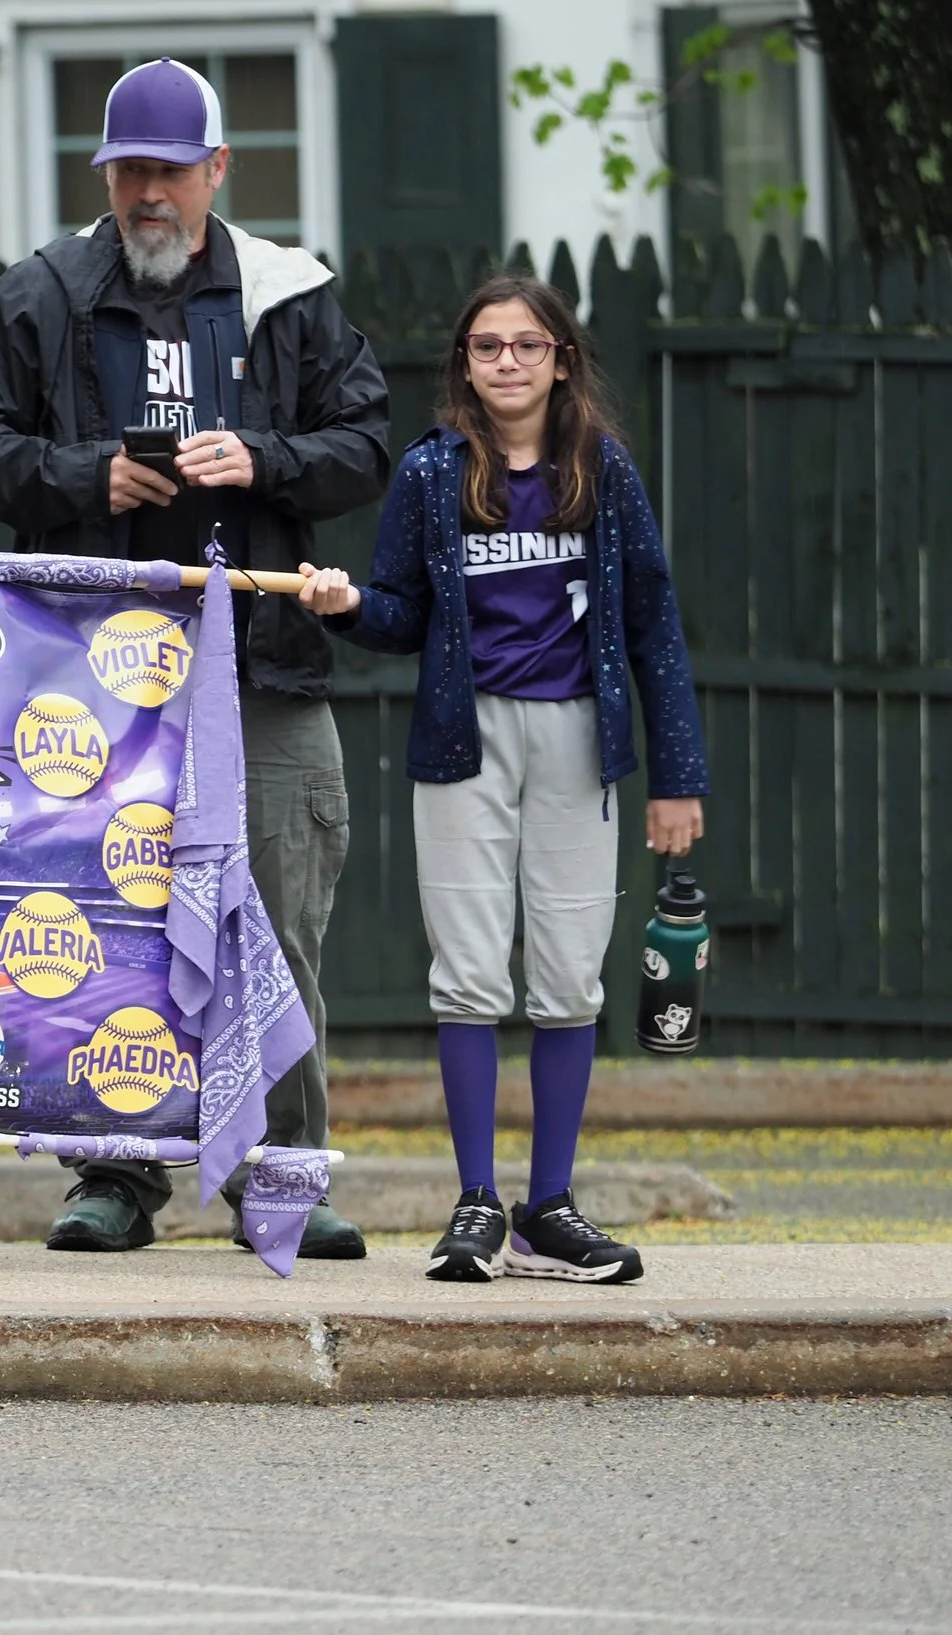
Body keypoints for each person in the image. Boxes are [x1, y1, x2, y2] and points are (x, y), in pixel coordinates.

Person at [0, 58, 390, 1256]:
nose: (149, 194)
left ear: (217, 170)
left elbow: (366, 444)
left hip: (264, 670)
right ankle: (115, 1176)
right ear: (103, 176)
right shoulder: (39, 295)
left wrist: (266, 459)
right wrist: (86, 477)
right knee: (101, 922)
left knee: (275, 927)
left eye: (171, 172)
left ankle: (278, 1175)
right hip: (92, 685)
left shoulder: (288, 295)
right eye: (128, 170)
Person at [295, 274, 706, 1283]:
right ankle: (477, 1203)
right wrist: (347, 605)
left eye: (528, 345)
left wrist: (677, 778)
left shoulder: (602, 469)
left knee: (568, 977)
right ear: (465, 366)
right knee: (469, 974)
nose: (508, 362)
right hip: (462, 744)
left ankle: (548, 1208)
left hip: (579, 746)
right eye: (487, 346)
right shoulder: (431, 471)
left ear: (562, 360)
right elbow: (401, 614)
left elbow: (653, 625)